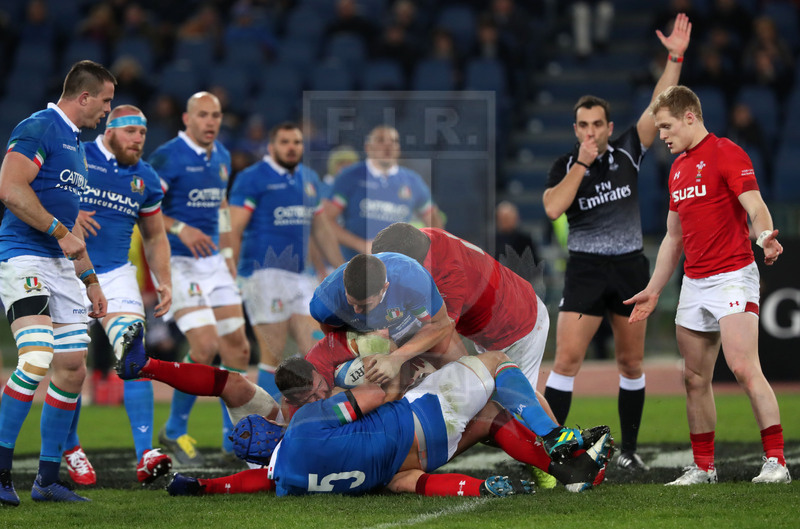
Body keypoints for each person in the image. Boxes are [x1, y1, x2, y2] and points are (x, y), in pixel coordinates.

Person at [113, 327, 613, 496]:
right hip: (408, 424)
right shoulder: (306, 414)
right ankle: (557, 444)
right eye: (321, 385)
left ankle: (560, 472)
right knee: (496, 368)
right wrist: (401, 370)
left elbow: (248, 482)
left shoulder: (281, 477)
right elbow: (378, 397)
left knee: (482, 427)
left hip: (385, 465)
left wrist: (198, 486)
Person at [541, 13, 691, 473]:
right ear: (575, 129)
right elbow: (553, 208)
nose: (590, 131)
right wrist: (582, 164)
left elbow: (659, 103)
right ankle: (551, 451)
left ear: (609, 127)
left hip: (628, 267)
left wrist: (674, 57)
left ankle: (629, 449)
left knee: (630, 362)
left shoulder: (628, 149)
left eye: (597, 124)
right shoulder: (565, 165)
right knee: (566, 361)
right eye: (582, 125)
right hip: (585, 268)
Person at [625, 85, 791, 486]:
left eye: (666, 126)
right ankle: (703, 467)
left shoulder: (726, 152)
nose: (661, 135)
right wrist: (654, 288)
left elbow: (755, 205)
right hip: (695, 282)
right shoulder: (677, 169)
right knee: (694, 379)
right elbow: (673, 237)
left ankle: (776, 462)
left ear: (689, 117)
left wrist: (764, 235)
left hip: (733, 275)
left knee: (743, 368)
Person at [0, 60, 115, 505]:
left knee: (72, 368)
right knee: (35, 357)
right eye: (105, 101)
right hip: (23, 255)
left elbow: (71, 228)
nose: (107, 110)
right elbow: (11, 188)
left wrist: (91, 280)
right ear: (84, 97)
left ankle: (46, 481)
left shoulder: (76, 146)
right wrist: (60, 232)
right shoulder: (39, 127)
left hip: (62, 266)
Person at [69, 104, 173, 485]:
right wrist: (67, 214)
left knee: (135, 355)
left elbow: (155, 236)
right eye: (131, 131)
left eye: (143, 133)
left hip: (115, 274)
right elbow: (35, 192)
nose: (138, 139)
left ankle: (145, 454)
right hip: (67, 271)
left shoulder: (146, 177)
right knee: (71, 365)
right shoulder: (77, 155)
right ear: (110, 130)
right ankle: (71, 447)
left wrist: (164, 280)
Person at [147, 91, 250, 465]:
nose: (210, 122)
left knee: (238, 348)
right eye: (203, 115)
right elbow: (144, 208)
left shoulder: (221, 155)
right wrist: (181, 228)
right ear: (187, 119)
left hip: (214, 263)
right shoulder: (166, 157)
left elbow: (221, 205)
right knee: (205, 347)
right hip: (178, 261)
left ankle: (232, 434)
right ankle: (175, 428)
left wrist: (228, 254)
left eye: (216, 115)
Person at [228, 122, 344, 400]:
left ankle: (316, 418)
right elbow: (234, 228)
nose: (291, 148)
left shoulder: (309, 178)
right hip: (262, 273)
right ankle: (268, 419)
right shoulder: (252, 178)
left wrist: (342, 268)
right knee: (274, 354)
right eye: (285, 142)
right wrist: (231, 273)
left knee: (317, 350)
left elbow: (321, 229)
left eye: (296, 142)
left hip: (301, 275)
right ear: (271, 147)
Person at [309, 253, 454, 386]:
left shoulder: (412, 278)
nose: (357, 310)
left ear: (384, 288)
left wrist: (397, 358)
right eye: (351, 302)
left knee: (456, 369)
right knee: (383, 384)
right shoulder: (325, 303)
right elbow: (335, 338)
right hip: (368, 334)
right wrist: (366, 349)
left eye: (364, 305)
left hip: (411, 323)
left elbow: (442, 324)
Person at [321, 125, 443, 260]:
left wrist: (423, 252)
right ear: (368, 147)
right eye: (380, 140)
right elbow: (325, 220)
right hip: (355, 264)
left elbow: (434, 220)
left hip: (397, 266)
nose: (388, 146)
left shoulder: (413, 181)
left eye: (394, 141)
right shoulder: (350, 176)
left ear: (399, 148)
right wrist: (360, 244)